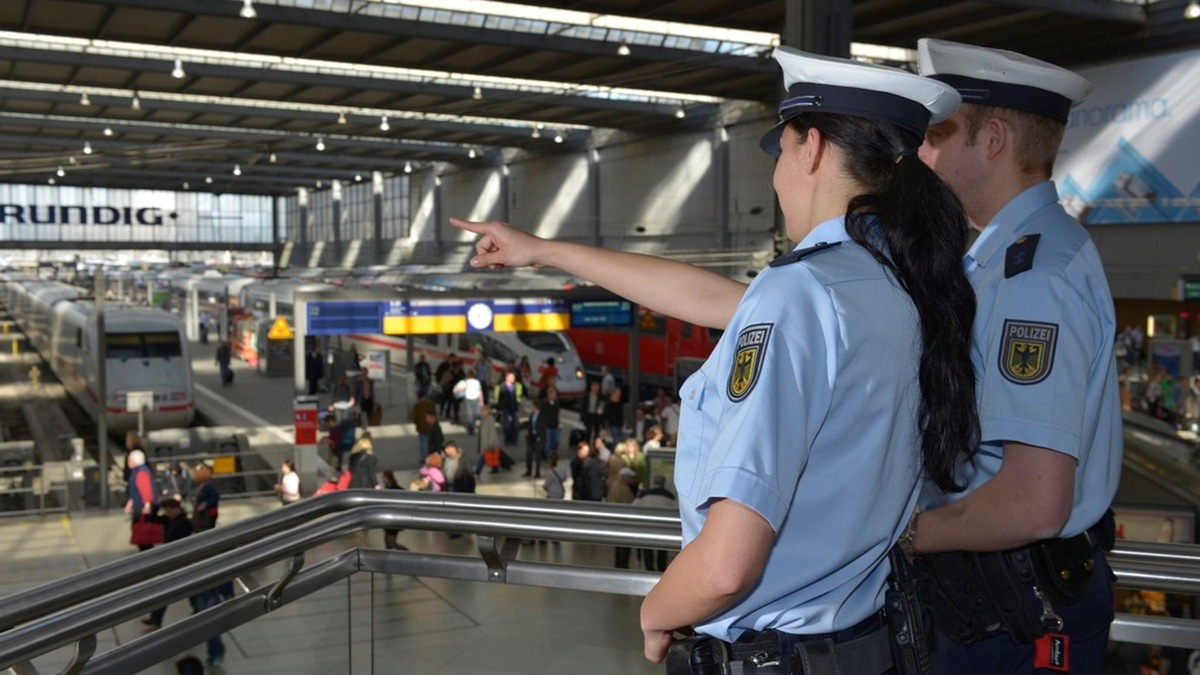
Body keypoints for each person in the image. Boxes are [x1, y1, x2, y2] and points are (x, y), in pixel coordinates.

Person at [450, 44, 979, 672]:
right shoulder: (890, 286)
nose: (778, 172)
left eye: (781, 150)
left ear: (809, 149)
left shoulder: (803, 291)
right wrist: (544, 251)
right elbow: (708, 297)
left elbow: (728, 566)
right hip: (865, 641)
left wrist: (655, 613)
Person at [910, 38, 1122, 673]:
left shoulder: (1035, 277)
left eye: (938, 135)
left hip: (1014, 616)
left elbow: (1034, 501)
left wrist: (895, 537)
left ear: (993, 139)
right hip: (993, 602)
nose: (921, 153)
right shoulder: (1005, 260)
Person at [144, 498, 194, 628]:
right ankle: (156, 617)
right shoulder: (168, 519)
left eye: (168, 510)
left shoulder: (185, 522)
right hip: (171, 560)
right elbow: (151, 519)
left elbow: (182, 542)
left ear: (175, 509)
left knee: (188, 588)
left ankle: (198, 609)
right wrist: (155, 506)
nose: (167, 513)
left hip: (179, 561)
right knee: (167, 588)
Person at [633, 475, 677, 572]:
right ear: (663, 483)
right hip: (663, 527)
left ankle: (649, 568)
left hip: (647, 526)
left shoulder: (644, 495)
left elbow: (634, 507)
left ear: (653, 482)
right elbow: (675, 510)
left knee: (647, 549)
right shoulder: (669, 496)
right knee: (662, 549)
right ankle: (661, 568)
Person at [125, 449, 158, 551]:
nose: (128, 462)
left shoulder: (141, 472)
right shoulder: (138, 471)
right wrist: (130, 503)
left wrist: (147, 505)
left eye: (130, 460)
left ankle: (146, 553)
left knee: (142, 531)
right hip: (139, 504)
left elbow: (145, 489)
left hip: (141, 507)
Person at [380, 469, 408, 551]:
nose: (382, 479)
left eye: (383, 477)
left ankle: (406, 552)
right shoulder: (390, 487)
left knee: (391, 543)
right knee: (388, 542)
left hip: (393, 519)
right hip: (389, 518)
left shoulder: (393, 488)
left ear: (386, 477)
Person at [493, 370, 523, 445]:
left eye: (514, 377)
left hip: (514, 408)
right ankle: (507, 439)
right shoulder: (502, 386)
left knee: (515, 424)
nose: (513, 379)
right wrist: (499, 409)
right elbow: (499, 398)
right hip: (505, 408)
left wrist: (518, 403)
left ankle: (514, 439)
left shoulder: (516, 386)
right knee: (506, 425)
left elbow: (518, 396)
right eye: (511, 377)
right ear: (507, 378)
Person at [191, 462, 220, 532]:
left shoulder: (208, 486)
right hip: (204, 513)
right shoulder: (200, 486)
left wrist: (205, 504)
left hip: (208, 513)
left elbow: (215, 497)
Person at [411, 395, 437, 464]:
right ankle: (430, 457)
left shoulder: (416, 406)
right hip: (430, 427)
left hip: (421, 427)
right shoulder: (431, 404)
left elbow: (414, 418)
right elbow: (434, 414)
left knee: (423, 444)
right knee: (430, 443)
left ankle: (423, 458)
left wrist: (417, 423)